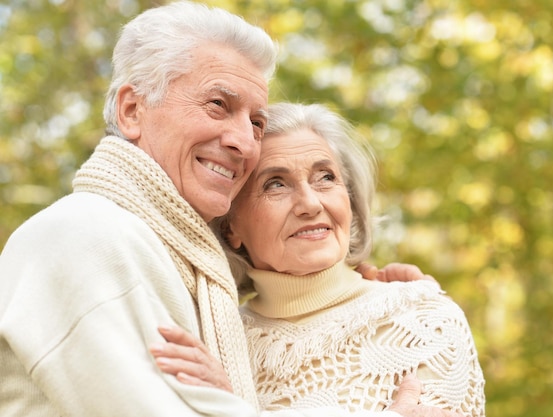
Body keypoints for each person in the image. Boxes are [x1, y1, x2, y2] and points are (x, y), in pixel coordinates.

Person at [0, 2, 442, 417]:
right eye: (218, 105)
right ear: (132, 110)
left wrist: (354, 293)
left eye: (256, 122)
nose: (244, 141)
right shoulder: (85, 237)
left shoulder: (176, 260)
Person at [153, 102, 486, 416]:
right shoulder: (210, 339)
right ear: (229, 229)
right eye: (276, 184)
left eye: (325, 177)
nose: (310, 204)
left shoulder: (423, 321)